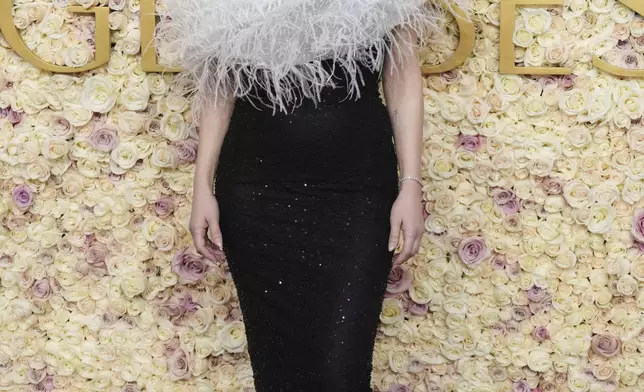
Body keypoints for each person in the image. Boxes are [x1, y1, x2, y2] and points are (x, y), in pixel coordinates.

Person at [156, 1, 467, 390]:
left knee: (343, 372)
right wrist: (201, 187)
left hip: (357, 194)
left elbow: (403, 83)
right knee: (277, 373)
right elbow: (218, 91)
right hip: (257, 195)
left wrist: (411, 184)